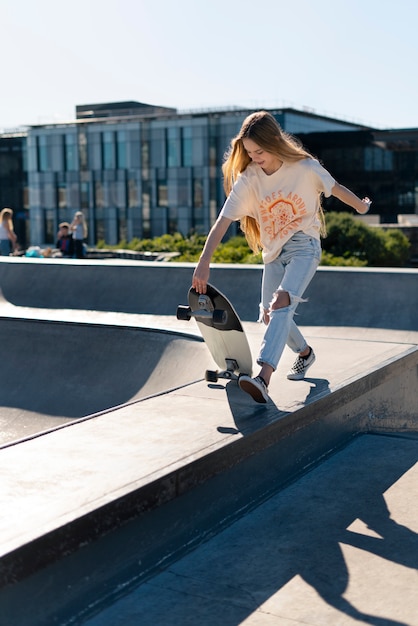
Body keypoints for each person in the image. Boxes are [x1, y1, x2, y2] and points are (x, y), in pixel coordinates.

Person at [192, 111, 371, 403]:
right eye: (249, 153)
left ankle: (263, 377)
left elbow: (335, 189)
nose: (255, 158)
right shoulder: (250, 178)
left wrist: (361, 208)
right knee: (268, 314)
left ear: (274, 142)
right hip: (273, 253)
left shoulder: (304, 168)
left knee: (282, 301)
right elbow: (223, 221)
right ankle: (305, 353)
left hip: (304, 246)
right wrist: (203, 262)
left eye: (259, 152)